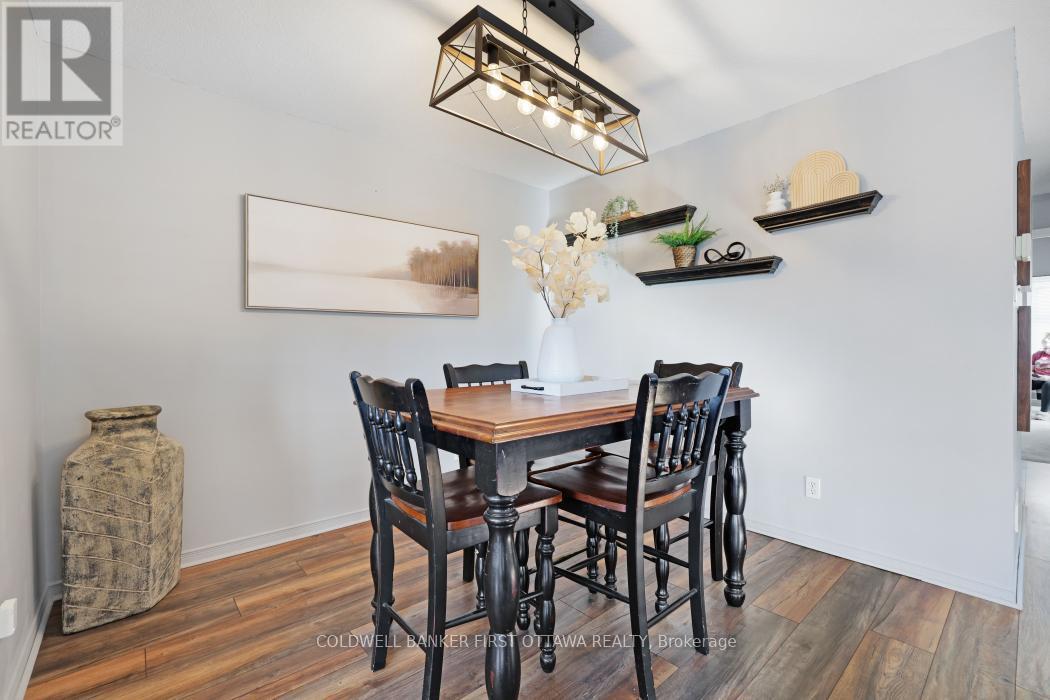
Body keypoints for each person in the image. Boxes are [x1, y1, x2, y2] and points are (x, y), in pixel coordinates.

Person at [1033, 334, 1050, 419]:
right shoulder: (1036, 355)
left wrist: (1047, 378)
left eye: (1048, 347)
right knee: (1022, 380)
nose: (1045, 349)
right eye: (1044, 347)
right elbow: (1030, 369)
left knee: (1048, 384)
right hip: (1037, 378)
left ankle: (1044, 413)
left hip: (1048, 380)